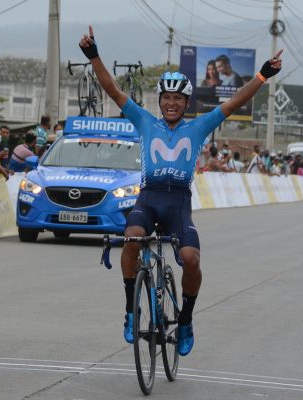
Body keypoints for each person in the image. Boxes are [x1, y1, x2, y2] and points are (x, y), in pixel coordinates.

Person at [79, 24, 282, 356]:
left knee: (191, 258)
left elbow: (234, 102)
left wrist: (262, 75)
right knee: (131, 239)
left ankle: (185, 320)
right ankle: (131, 311)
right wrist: (93, 55)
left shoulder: (199, 126)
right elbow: (113, 90)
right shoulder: (145, 121)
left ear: (186, 102)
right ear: (159, 101)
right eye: (166, 98)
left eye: (177, 98)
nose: (171, 103)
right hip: (149, 198)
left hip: (178, 204)